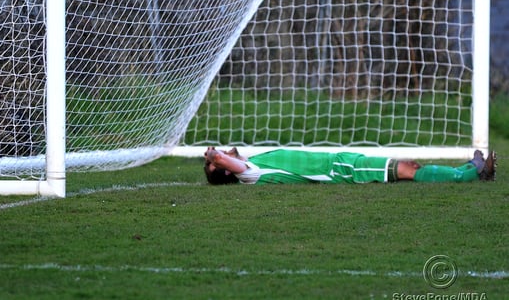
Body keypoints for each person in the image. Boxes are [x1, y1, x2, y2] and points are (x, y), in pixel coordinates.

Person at [203, 146, 497, 185]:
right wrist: (211, 157)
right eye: (220, 161)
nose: (227, 151)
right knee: (408, 169)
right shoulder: (250, 175)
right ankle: (472, 171)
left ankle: (471, 169)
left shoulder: (254, 163)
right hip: (342, 170)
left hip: (342, 162)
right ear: (227, 169)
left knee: (409, 166)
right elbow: (220, 158)